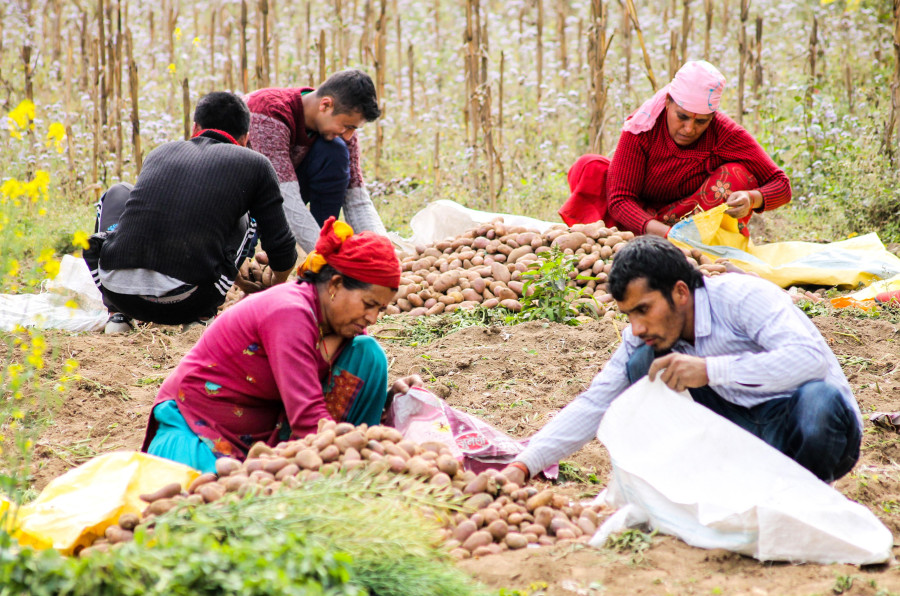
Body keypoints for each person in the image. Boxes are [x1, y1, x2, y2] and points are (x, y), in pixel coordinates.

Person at [502, 236, 861, 486]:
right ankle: (710, 481)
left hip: (805, 428)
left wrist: (709, 371)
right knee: (642, 364)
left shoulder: (744, 298)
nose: (637, 327)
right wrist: (524, 464)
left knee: (820, 400)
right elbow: (596, 402)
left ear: (680, 292)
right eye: (629, 315)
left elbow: (810, 361)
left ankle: (812, 492)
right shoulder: (643, 335)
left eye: (644, 309)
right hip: (742, 434)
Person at [141, 217, 421, 473]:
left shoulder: (340, 327)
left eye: (380, 310)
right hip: (200, 430)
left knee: (369, 355)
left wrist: (387, 401)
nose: (372, 317)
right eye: (369, 304)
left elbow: (324, 400)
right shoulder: (290, 312)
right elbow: (308, 417)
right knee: (209, 502)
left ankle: (316, 472)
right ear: (335, 285)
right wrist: (360, 455)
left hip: (265, 439)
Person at [84, 91, 298, 334]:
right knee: (244, 216)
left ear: (195, 127)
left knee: (118, 191)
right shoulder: (256, 163)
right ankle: (202, 317)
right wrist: (274, 286)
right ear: (246, 137)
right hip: (188, 301)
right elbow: (282, 248)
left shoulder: (159, 153)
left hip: (119, 292)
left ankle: (117, 317)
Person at [559, 60, 791, 238]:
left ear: (712, 117)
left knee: (737, 174)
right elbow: (620, 200)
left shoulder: (725, 134)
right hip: (634, 219)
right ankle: (616, 237)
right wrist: (666, 235)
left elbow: (781, 184)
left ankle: (690, 244)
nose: (689, 128)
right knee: (590, 167)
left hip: (686, 220)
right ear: (668, 101)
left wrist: (753, 198)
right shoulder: (642, 127)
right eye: (682, 117)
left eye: (701, 122)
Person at [244, 69, 388, 253]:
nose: (350, 135)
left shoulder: (340, 129)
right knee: (237, 255)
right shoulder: (270, 112)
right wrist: (326, 257)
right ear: (326, 105)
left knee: (335, 151)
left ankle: (321, 239)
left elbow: (356, 197)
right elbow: (284, 196)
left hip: (281, 192)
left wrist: (381, 250)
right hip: (239, 199)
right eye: (347, 126)